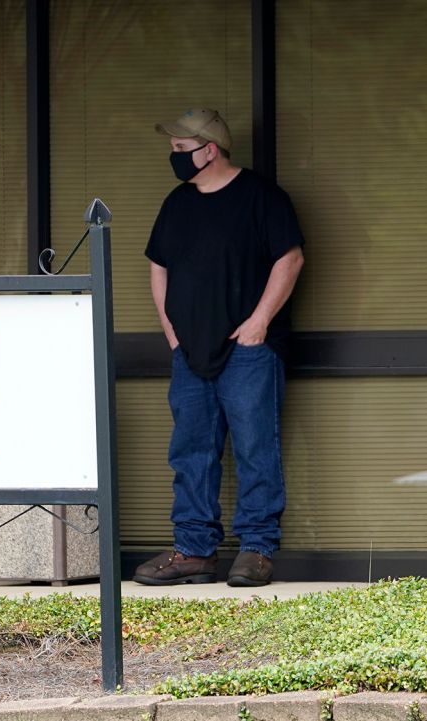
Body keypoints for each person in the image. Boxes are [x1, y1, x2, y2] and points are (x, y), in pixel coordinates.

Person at [134, 109, 305, 587]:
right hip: (190, 352)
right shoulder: (177, 204)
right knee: (190, 450)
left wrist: (258, 322)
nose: (175, 158)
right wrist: (171, 331)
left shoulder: (262, 197)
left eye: (181, 149)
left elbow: (290, 259)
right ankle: (193, 550)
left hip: (249, 349)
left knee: (256, 448)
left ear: (209, 149)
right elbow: (158, 266)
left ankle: (256, 550)